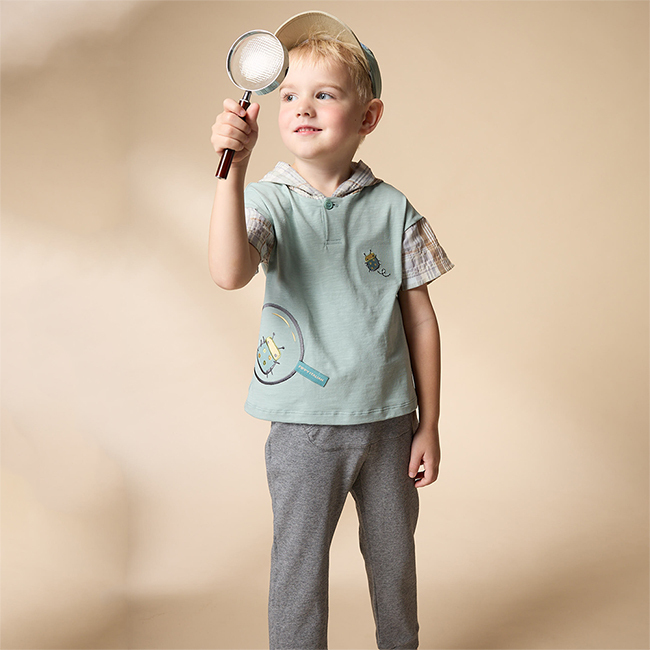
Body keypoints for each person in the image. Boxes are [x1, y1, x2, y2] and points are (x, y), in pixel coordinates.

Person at [209, 11, 453, 650]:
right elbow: (229, 273)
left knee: (394, 565)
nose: (303, 107)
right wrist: (233, 172)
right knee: (298, 567)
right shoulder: (265, 201)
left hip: (390, 423)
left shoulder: (394, 208)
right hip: (303, 425)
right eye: (288, 94)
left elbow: (421, 319)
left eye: (324, 93)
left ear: (368, 116)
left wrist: (428, 423)